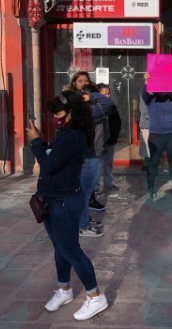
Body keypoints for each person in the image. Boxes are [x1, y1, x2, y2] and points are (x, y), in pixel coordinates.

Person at [26, 90, 108, 320]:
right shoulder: (65, 133)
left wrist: (35, 141)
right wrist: (42, 142)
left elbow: (48, 164)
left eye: (59, 113)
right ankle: (64, 289)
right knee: (60, 247)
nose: (55, 117)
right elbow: (55, 159)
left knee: (70, 249)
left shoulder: (73, 136)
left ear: (71, 112)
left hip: (64, 201)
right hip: (52, 199)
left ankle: (95, 296)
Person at [78, 84, 115, 237]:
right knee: (84, 194)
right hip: (90, 156)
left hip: (91, 154)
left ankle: (83, 220)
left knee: (84, 193)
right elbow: (108, 104)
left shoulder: (84, 111)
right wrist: (92, 96)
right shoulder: (89, 111)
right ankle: (82, 225)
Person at [141, 73, 172, 198]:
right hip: (156, 135)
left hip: (171, 134)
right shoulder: (151, 98)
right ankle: (151, 187)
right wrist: (146, 82)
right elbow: (144, 94)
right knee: (153, 162)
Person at [97, 83, 121, 192]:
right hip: (98, 141)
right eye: (105, 94)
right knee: (97, 164)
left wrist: (114, 136)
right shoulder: (95, 107)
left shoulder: (112, 107)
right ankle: (95, 186)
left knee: (108, 163)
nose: (107, 96)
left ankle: (108, 183)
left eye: (109, 93)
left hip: (110, 140)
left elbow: (117, 122)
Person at [139, 94, 151, 171]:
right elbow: (144, 110)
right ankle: (146, 165)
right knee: (146, 146)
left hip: (155, 126)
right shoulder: (144, 95)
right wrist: (155, 117)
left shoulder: (157, 95)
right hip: (146, 125)